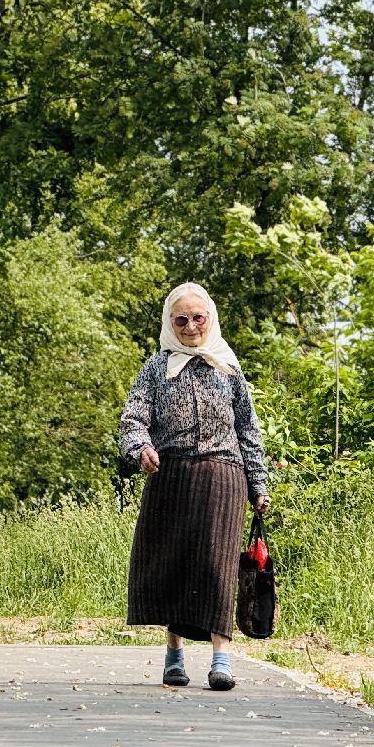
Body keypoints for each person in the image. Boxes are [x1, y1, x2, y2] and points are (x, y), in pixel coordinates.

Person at [120, 282, 270, 691]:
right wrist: (141, 448)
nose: (190, 326)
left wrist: (258, 485)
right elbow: (133, 419)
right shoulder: (156, 367)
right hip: (170, 476)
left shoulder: (228, 368)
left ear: (211, 318)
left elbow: (248, 431)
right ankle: (174, 655)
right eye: (181, 319)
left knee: (217, 568)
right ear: (170, 323)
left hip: (223, 478)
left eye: (197, 318)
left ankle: (222, 659)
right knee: (174, 564)